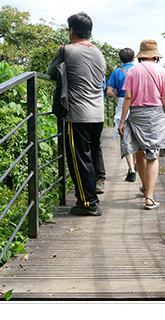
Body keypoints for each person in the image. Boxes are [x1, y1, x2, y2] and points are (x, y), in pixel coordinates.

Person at [47, 12, 106, 216]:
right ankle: (88, 199)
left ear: (71, 30)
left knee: (79, 160)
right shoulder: (99, 53)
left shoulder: (66, 50)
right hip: (98, 114)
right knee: (88, 156)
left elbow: (50, 72)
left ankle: (88, 203)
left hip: (78, 114)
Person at [117, 39, 165, 210]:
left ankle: (144, 185)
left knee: (140, 152)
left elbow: (127, 97)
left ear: (141, 55)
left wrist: (122, 120)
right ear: (155, 55)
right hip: (155, 114)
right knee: (153, 154)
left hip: (136, 114)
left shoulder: (133, 71)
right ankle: (149, 196)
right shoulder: (162, 71)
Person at [106, 48, 136, 182]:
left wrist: (118, 95)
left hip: (122, 103)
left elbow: (109, 91)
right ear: (133, 58)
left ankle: (131, 169)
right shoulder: (137, 70)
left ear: (120, 59)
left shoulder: (117, 72)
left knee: (125, 137)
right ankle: (135, 164)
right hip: (137, 104)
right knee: (136, 137)